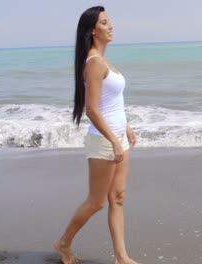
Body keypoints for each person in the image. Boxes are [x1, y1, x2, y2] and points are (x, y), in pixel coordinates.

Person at [54, 6, 138, 264]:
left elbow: (110, 103)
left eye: (109, 21)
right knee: (97, 201)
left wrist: (125, 127)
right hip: (103, 142)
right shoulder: (94, 63)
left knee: (118, 197)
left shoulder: (103, 61)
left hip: (117, 138)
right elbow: (91, 110)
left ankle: (121, 257)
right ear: (92, 30)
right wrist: (113, 139)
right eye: (104, 22)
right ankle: (63, 243)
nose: (110, 26)